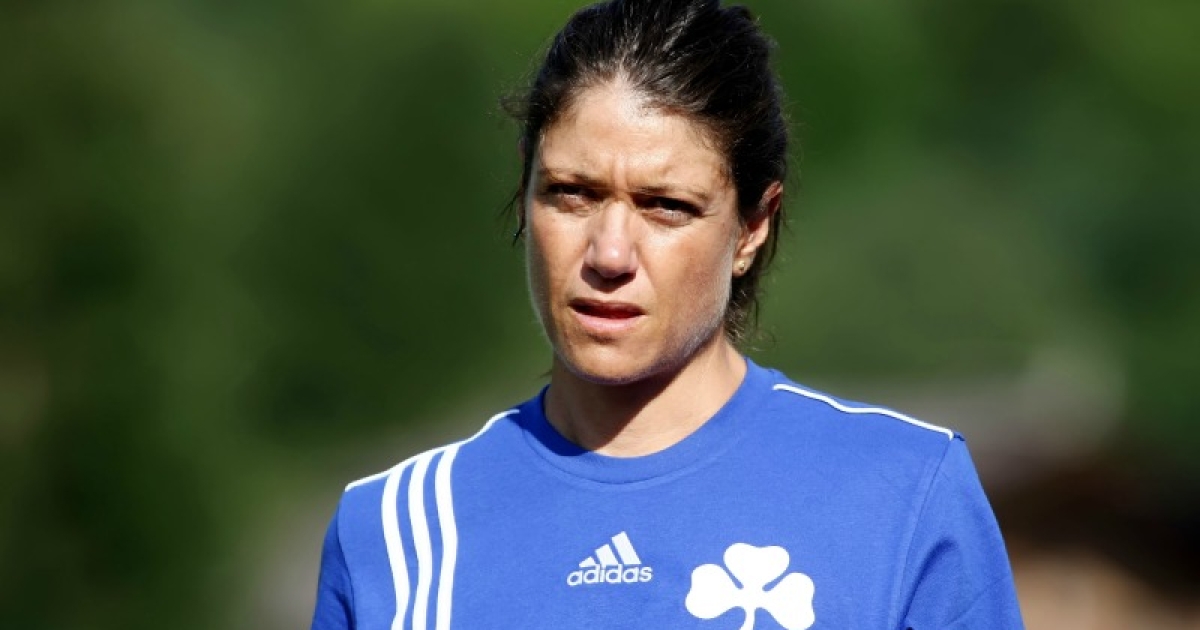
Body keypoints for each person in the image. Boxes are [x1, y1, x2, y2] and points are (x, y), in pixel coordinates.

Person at [310, 0, 1025, 628]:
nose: (610, 253)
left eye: (666, 206)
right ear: (524, 182)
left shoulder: (903, 494)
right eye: (572, 193)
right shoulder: (390, 533)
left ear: (753, 227)